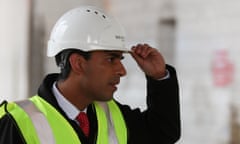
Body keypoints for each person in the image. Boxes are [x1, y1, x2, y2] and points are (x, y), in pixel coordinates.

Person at [0, 6, 181, 144]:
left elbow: (162, 133)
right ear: (78, 63)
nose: (122, 71)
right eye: (111, 59)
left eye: (121, 59)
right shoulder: (17, 123)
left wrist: (159, 77)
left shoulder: (112, 115)